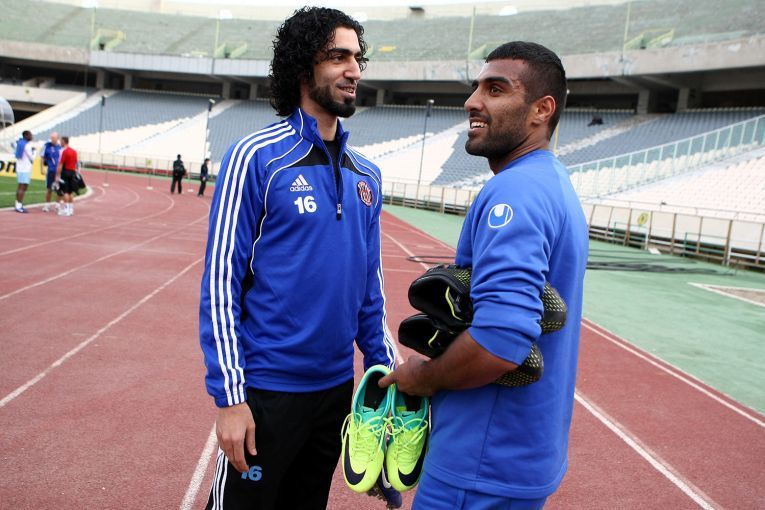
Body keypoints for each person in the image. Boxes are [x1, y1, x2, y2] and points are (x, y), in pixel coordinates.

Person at [198, 7, 397, 509]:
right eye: (338, 57)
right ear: (303, 67)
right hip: (267, 393)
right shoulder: (256, 157)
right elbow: (221, 280)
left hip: (336, 395)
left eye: (357, 58)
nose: (354, 70)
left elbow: (369, 290)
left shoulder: (367, 176)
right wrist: (230, 399)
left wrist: (388, 385)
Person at [379, 41, 589, 509]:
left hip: (481, 463)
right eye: (476, 88)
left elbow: (501, 340)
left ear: (541, 110)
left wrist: (423, 377)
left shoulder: (514, 192)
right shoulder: (550, 182)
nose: (473, 101)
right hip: (514, 454)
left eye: (495, 89)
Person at [55, 136, 78, 217]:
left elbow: (61, 164)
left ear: (64, 142)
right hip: (72, 172)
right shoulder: (74, 151)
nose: (60, 143)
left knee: (65, 192)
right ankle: (70, 209)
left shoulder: (65, 152)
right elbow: (76, 163)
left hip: (65, 172)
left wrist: (57, 175)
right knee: (70, 192)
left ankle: (66, 210)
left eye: (61, 141)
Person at [13, 130, 34, 213]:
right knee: (23, 187)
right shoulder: (27, 145)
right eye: (30, 135)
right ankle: (19, 206)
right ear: (26, 136)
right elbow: (32, 158)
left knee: (20, 186)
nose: (31, 136)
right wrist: (34, 152)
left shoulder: (19, 143)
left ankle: (17, 204)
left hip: (20, 167)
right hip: (25, 168)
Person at [41, 132, 63, 212]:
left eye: (54, 138)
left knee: (60, 189)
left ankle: (58, 205)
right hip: (50, 171)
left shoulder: (61, 147)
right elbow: (42, 157)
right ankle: (47, 205)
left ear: (57, 138)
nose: (52, 139)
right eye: (51, 138)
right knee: (49, 188)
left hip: (60, 172)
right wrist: (42, 168)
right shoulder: (47, 146)